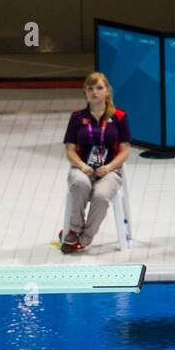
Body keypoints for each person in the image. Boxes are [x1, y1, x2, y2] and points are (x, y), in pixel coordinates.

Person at [61, 71, 130, 253]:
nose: (94, 92)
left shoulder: (120, 117)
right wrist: (82, 166)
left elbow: (125, 151)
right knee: (80, 184)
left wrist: (109, 167)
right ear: (85, 92)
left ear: (107, 91)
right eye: (90, 89)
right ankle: (74, 229)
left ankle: (84, 239)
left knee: (100, 196)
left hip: (111, 171)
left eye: (99, 88)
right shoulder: (77, 118)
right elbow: (69, 150)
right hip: (83, 167)